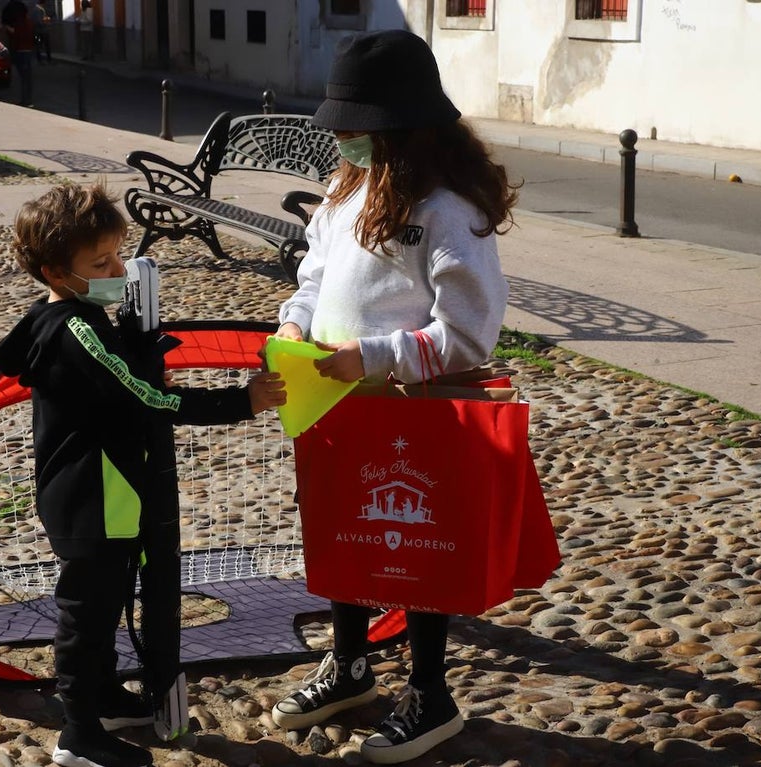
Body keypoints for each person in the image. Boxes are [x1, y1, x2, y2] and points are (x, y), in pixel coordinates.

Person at [270, 29, 518, 765]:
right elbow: (316, 272)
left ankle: (430, 690)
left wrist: (373, 356)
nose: (341, 137)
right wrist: (295, 319)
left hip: (414, 411)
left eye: (356, 125)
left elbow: (468, 335)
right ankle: (349, 665)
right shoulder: (347, 188)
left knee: (416, 546)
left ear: (401, 126)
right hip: (336, 404)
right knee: (344, 532)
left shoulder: (448, 208)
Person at [0, 183, 286, 767]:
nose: (117, 270)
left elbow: (125, 384)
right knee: (87, 612)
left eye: (118, 256)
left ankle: (99, 696)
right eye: (100, 264)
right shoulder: (74, 329)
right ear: (55, 272)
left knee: (108, 597)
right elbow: (144, 398)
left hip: (115, 495)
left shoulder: (87, 315)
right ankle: (77, 734)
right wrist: (238, 403)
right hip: (91, 497)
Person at [1, 0, 35, 106]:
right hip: (27, 50)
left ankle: (26, 100)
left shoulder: (19, 23)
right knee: (26, 77)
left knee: (23, 76)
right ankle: (27, 99)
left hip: (19, 49)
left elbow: (17, 34)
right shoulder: (28, 22)